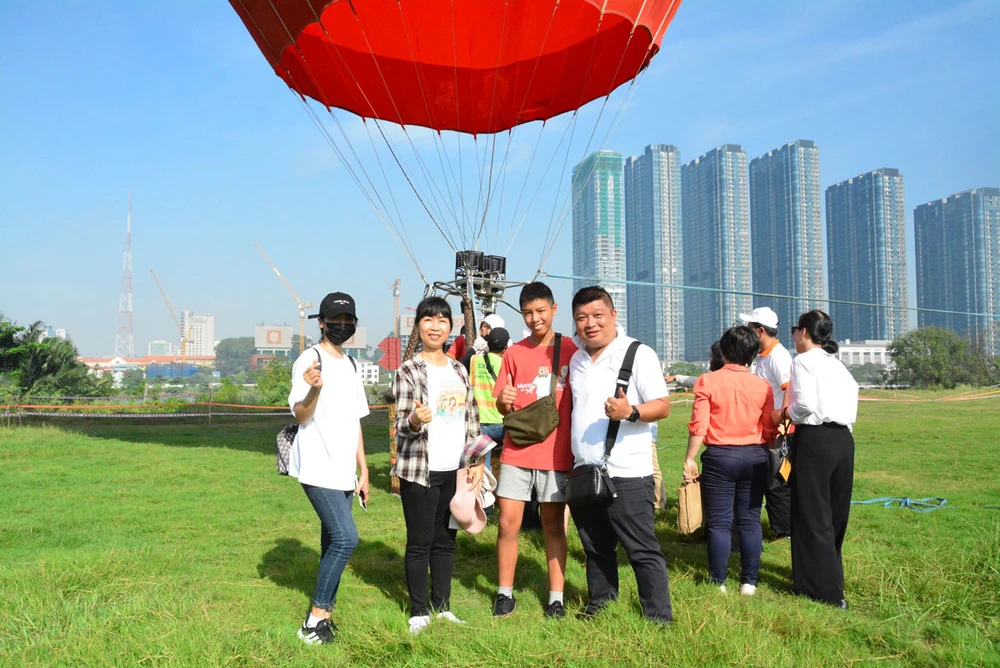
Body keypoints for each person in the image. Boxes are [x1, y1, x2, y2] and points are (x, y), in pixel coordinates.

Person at [567, 286, 673, 623]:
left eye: (598, 315)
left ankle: (657, 616)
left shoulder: (638, 353)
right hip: (585, 469)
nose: (590, 324)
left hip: (628, 471)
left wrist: (631, 412)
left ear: (613, 316)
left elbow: (663, 406)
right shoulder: (576, 358)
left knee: (641, 548)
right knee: (595, 546)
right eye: (582, 318)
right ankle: (601, 601)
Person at [391, 296, 487, 634]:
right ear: (418, 326)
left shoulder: (459, 368)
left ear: (451, 327)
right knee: (420, 540)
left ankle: (442, 606)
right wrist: (415, 420)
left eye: (442, 320)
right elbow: (400, 426)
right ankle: (419, 611)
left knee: (446, 540)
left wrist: (475, 460)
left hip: (455, 470)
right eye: (428, 320)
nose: (436, 326)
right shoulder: (408, 370)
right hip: (420, 469)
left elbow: (471, 418)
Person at [287, 292, 370, 645]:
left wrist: (363, 470)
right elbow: (301, 414)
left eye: (348, 321)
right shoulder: (311, 358)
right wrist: (313, 390)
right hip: (318, 467)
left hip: (343, 470)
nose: (341, 327)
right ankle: (313, 620)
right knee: (346, 538)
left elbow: (356, 420)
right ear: (320, 323)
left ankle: (326, 620)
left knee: (330, 544)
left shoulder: (351, 364)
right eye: (334, 321)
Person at [491, 282, 578, 619]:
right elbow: (501, 404)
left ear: (554, 309)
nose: (534, 318)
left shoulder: (571, 349)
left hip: (557, 454)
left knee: (554, 526)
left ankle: (556, 597)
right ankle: (504, 592)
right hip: (517, 452)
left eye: (540, 311)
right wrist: (503, 400)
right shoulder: (513, 353)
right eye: (528, 313)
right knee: (507, 524)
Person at [682, 326, 778, 595]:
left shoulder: (708, 381)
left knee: (719, 523)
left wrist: (690, 458)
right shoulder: (762, 385)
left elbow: (699, 425)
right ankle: (749, 582)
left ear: (723, 351)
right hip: (755, 456)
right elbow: (769, 428)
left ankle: (718, 581)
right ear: (753, 353)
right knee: (749, 520)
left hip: (720, 457)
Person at [783, 310, 858, 609]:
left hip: (815, 440)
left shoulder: (801, 361)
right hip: (843, 439)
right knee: (835, 513)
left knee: (811, 513)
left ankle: (822, 589)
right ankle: (831, 576)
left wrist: (784, 414)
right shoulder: (837, 365)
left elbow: (804, 405)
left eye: (795, 330)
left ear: (803, 333)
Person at [739, 306, 793, 539]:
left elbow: (789, 387)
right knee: (769, 480)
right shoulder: (763, 357)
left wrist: (782, 416)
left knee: (776, 482)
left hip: (779, 432)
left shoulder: (778, 356)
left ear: (760, 331)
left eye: (750, 328)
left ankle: (784, 531)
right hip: (766, 430)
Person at [470, 326, 510, 473]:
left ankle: (484, 492)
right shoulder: (506, 363)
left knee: (482, 465)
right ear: (506, 347)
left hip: (480, 422)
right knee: (508, 461)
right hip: (501, 422)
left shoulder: (475, 360)